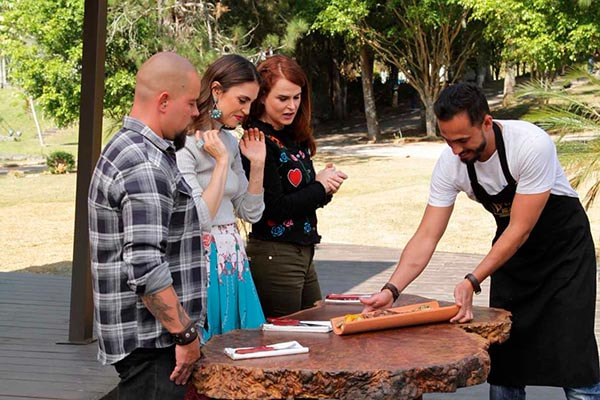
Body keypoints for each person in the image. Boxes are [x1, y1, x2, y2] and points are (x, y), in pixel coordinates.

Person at [361, 82, 600, 400]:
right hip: (513, 260)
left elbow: (519, 229)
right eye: (449, 141)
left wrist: (472, 279)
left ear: (486, 122)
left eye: (463, 140)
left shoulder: (529, 144)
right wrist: (391, 290)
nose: (457, 151)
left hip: (565, 253)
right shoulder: (451, 164)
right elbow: (427, 236)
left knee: (574, 352)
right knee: (505, 356)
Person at [88, 52, 205, 399]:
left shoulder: (128, 146)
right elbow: (145, 267)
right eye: (192, 103)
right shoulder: (145, 164)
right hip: (153, 341)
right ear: (164, 101)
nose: (197, 112)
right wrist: (184, 335)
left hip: (149, 339)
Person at [242, 55, 348, 318]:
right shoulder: (258, 139)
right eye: (283, 98)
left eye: (297, 97)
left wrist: (325, 186)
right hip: (275, 253)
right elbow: (273, 209)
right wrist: (319, 188)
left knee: (317, 329)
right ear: (262, 97)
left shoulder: (291, 135)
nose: (292, 106)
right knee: (286, 340)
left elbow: (304, 198)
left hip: (302, 251)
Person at [176, 54, 266, 342]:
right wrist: (222, 162)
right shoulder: (184, 142)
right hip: (201, 259)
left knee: (241, 345)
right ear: (216, 91)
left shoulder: (228, 141)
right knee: (208, 347)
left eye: (251, 102)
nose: (247, 110)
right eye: (242, 100)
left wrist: (258, 164)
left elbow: (250, 213)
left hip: (234, 258)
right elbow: (200, 216)